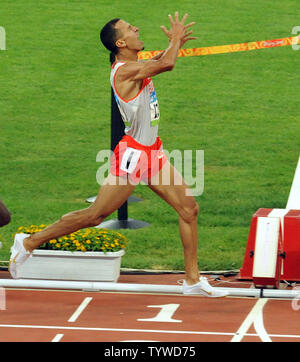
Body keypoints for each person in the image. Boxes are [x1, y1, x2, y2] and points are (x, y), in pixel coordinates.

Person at [9, 12, 227, 297]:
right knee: (95, 215)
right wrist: (174, 42)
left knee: (189, 209)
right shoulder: (124, 71)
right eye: (129, 28)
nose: (136, 27)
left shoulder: (134, 64)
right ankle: (28, 242)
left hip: (153, 152)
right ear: (121, 42)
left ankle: (192, 279)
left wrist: (173, 45)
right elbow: (168, 63)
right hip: (134, 156)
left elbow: (161, 59)